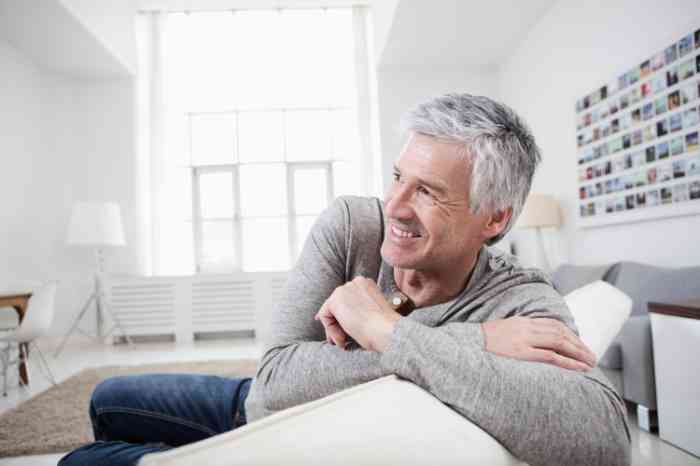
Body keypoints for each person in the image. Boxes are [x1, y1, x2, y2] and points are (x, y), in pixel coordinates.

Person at [59, 94, 630, 466]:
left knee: (81, 462)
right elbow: (274, 380)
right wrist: (475, 342)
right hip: (256, 405)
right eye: (398, 177)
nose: (396, 206)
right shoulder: (354, 226)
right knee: (109, 398)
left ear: (496, 217)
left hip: (307, 438)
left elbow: (603, 440)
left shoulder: (520, 299)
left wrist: (388, 330)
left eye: (427, 192)